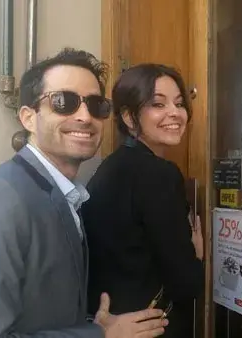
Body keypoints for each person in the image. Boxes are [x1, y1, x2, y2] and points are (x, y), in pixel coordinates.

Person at [0, 49, 168, 338]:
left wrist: (92, 325)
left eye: (96, 105)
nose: (85, 116)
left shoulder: (64, 195)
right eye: (64, 102)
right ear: (28, 118)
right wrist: (100, 336)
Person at [82, 64, 204, 337]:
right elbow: (185, 283)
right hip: (148, 327)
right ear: (128, 116)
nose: (175, 113)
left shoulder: (109, 168)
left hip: (109, 319)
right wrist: (196, 255)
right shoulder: (159, 174)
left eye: (179, 103)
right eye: (158, 104)